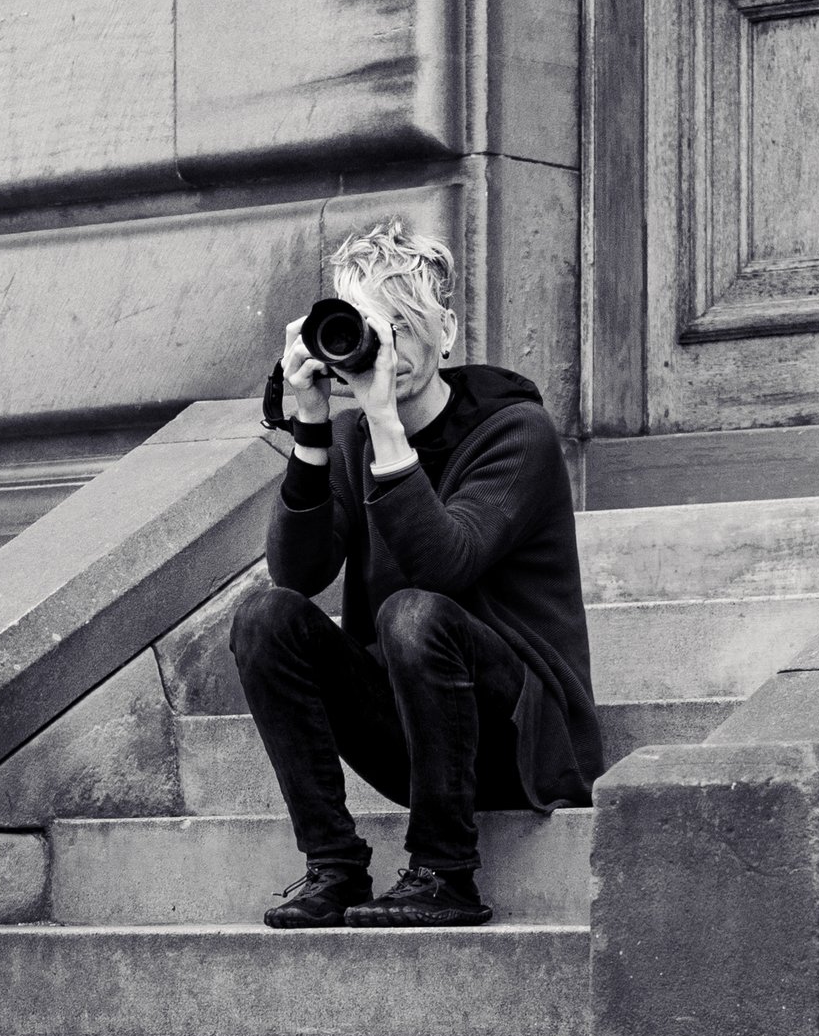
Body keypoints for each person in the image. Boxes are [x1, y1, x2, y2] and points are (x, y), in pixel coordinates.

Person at [230, 222, 603, 929]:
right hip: (413, 733)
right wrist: (312, 425)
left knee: (413, 610)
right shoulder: (349, 438)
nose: (389, 350)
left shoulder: (515, 433)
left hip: (518, 739)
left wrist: (381, 422)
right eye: (373, 328)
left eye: (405, 325)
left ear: (449, 330)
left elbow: (445, 563)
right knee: (263, 616)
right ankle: (334, 865)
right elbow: (298, 572)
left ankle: (445, 872)